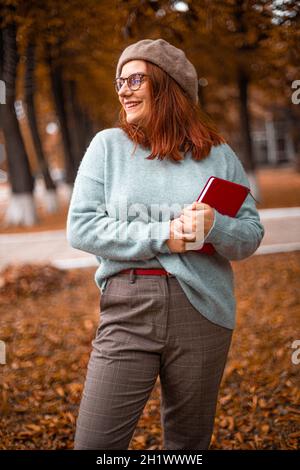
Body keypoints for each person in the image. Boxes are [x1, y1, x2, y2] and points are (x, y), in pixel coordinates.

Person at [66, 38, 264, 450]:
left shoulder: (219, 154)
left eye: (135, 78)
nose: (123, 89)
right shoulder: (108, 147)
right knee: (94, 444)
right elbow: (82, 227)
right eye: (120, 81)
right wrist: (164, 236)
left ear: (168, 85)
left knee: (188, 446)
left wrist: (216, 227)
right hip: (128, 306)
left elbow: (249, 235)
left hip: (203, 310)